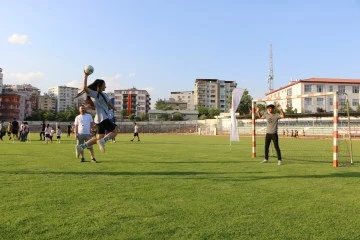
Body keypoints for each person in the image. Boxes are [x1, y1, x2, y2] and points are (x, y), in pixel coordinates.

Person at [74, 71, 117, 158]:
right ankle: (103, 141)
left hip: (99, 119)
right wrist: (85, 76)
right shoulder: (96, 94)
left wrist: (113, 108)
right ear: (99, 86)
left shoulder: (105, 95)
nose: (106, 86)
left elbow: (108, 103)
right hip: (103, 118)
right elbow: (85, 88)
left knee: (98, 138)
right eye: (104, 84)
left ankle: (81, 147)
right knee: (115, 131)